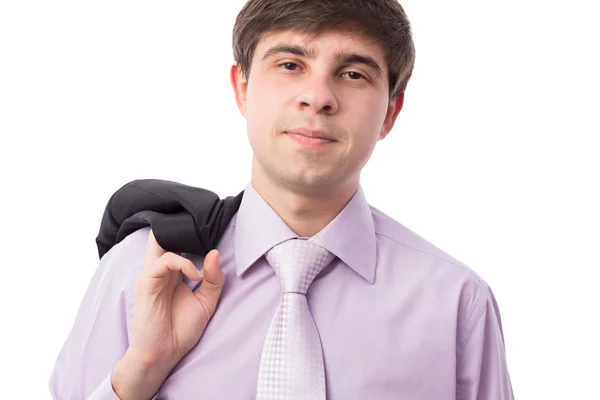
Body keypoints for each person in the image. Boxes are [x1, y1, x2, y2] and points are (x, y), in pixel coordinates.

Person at [49, 0, 515, 398]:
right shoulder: (141, 271)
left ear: (390, 112)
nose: (318, 97)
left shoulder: (456, 303)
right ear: (243, 88)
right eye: (290, 65)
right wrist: (137, 376)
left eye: (353, 74)